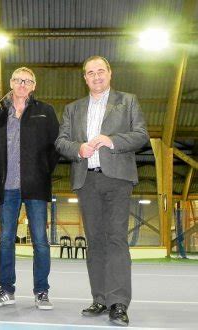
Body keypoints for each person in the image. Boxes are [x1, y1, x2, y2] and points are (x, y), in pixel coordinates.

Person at [55, 56, 149, 326]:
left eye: (100, 71)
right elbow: (61, 142)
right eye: (90, 73)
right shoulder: (73, 109)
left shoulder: (127, 101)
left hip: (117, 179)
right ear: (84, 78)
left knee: (116, 238)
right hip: (87, 180)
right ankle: (100, 298)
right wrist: (78, 149)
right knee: (94, 241)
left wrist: (112, 140)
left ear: (109, 73)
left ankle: (118, 303)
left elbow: (141, 134)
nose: (95, 76)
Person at [0, 67, 60, 310]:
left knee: (40, 240)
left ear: (33, 86)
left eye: (27, 81)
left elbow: (55, 146)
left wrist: (42, 170)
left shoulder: (46, 112)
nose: (22, 84)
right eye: (18, 80)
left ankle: (42, 292)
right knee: (6, 239)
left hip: (36, 186)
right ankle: (6, 289)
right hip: (6, 188)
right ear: (11, 83)